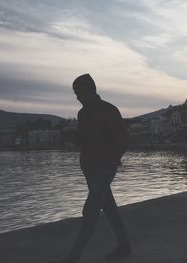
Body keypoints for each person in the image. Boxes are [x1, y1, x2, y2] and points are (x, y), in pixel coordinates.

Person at [54, 74, 131, 263]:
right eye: (75, 93)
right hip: (89, 168)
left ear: (90, 90)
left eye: (79, 92)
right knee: (109, 208)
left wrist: (110, 163)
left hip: (104, 169)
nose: (77, 96)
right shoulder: (82, 114)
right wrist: (72, 136)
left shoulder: (109, 110)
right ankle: (124, 245)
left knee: (91, 210)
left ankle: (73, 257)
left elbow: (121, 141)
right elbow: (84, 141)